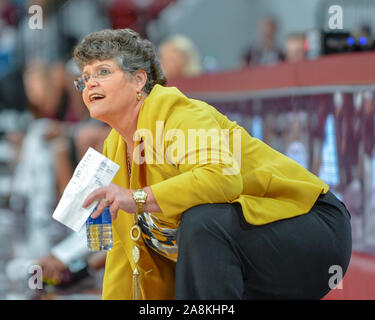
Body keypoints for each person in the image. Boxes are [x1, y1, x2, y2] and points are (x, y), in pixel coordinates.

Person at [73, 28, 352, 300]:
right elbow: (125, 253)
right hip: (245, 251)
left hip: (312, 228)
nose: (90, 84)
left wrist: (138, 198)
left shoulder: (177, 113)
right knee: (200, 230)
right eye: (84, 78)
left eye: (103, 72)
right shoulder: (114, 147)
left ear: (138, 80)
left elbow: (222, 178)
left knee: (202, 222)